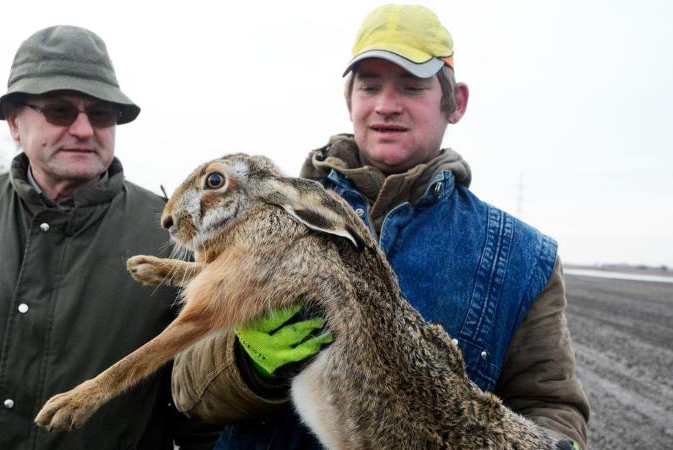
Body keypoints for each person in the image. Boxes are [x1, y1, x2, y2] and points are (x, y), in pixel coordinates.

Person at [170, 4, 590, 450]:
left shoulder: (522, 259)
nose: (386, 106)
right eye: (370, 87)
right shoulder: (251, 219)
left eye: (412, 87)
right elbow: (187, 392)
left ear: (455, 102)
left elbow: (552, 405)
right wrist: (243, 364)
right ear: (349, 99)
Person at [0, 25, 218, 450]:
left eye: (102, 113)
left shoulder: (173, 237)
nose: (85, 129)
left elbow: (203, 401)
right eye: (59, 110)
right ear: (15, 122)